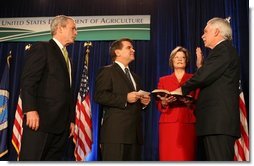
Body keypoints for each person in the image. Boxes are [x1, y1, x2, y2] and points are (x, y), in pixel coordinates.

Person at [172, 17, 240, 161]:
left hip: (218, 124)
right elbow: (211, 77)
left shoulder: (224, 50)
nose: (202, 35)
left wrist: (181, 90)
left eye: (205, 31)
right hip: (214, 124)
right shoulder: (221, 52)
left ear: (216, 32)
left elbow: (205, 76)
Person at [19, 15, 77, 160]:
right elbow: (28, 81)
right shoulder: (42, 48)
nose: (76, 32)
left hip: (61, 126)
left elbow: (68, 92)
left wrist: (71, 120)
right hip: (41, 121)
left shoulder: (68, 58)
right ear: (60, 28)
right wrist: (30, 109)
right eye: (73, 28)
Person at [94, 38, 151, 161]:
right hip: (115, 135)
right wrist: (125, 98)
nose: (133, 50)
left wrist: (143, 103)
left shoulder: (136, 77)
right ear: (117, 52)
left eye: (132, 48)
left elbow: (135, 102)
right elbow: (99, 96)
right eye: (129, 47)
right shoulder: (107, 71)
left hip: (134, 136)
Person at [156, 46, 200, 161]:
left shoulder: (193, 78)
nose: (180, 59)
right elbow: (158, 104)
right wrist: (164, 102)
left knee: (186, 156)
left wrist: (189, 103)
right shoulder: (163, 80)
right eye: (177, 57)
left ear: (186, 60)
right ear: (172, 60)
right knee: (168, 156)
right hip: (168, 123)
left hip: (188, 122)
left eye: (183, 57)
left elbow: (199, 101)